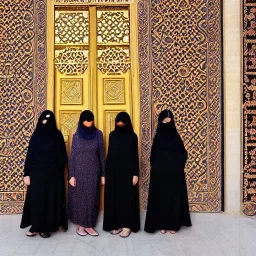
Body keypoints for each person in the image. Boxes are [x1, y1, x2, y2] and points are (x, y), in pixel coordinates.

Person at [20, 110, 68, 238]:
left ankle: (46, 228)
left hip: (53, 176)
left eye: (48, 121)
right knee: (37, 201)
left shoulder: (57, 136)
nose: (45, 123)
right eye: (43, 121)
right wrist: (26, 174)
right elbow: (29, 156)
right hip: (37, 175)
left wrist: (55, 169)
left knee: (50, 201)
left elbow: (63, 157)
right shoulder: (35, 136)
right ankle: (35, 226)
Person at [144, 109, 192, 234]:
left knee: (173, 198)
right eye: (164, 121)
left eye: (169, 121)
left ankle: (173, 225)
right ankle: (162, 224)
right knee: (161, 198)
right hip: (160, 174)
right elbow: (153, 155)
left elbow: (183, 153)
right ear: (161, 122)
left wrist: (177, 166)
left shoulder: (176, 137)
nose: (167, 124)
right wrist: (156, 166)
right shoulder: (158, 137)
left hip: (174, 174)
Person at [67, 110, 105, 236]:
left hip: (94, 171)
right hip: (79, 172)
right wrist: (71, 175)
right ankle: (80, 225)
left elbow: (101, 156)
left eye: (90, 120)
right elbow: (72, 156)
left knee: (92, 198)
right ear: (81, 121)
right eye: (86, 121)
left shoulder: (98, 134)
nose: (89, 123)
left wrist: (103, 174)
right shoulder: (76, 135)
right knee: (80, 199)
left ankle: (89, 225)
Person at [103, 112, 140, 238]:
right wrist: (106, 173)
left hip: (128, 172)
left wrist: (135, 173)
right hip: (113, 172)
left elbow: (135, 156)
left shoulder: (132, 136)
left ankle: (127, 225)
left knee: (127, 198)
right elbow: (110, 154)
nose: (120, 125)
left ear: (127, 123)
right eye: (117, 123)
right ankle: (117, 224)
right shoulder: (112, 135)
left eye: (122, 123)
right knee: (115, 198)